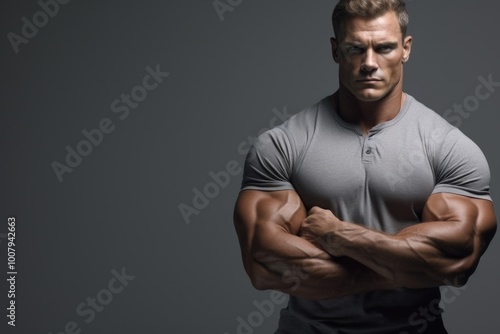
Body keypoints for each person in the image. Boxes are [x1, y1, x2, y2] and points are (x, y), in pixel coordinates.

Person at [233, 0, 497, 333]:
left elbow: (457, 261)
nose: (369, 63)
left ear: (406, 48)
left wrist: (342, 237)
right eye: (355, 48)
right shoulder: (282, 145)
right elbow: (265, 264)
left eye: (384, 48)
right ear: (335, 50)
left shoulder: (450, 148)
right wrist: (406, 267)